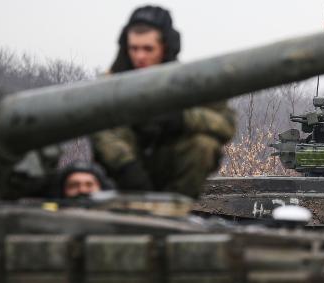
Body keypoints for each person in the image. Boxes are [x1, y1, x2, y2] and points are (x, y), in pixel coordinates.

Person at [91, 5, 236, 199]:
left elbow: (226, 125)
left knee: (204, 145)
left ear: (165, 47)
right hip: (123, 170)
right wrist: (127, 167)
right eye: (134, 48)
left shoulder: (186, 82)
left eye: (148, 49)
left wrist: (183, 118)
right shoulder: (110, 84)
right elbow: (101, 131)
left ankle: (174, 207)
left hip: (170, 168)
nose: (140, 56)